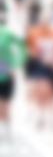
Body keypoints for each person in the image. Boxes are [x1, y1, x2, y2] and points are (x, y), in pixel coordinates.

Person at [0, 9, 26, 147]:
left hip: (6, 73)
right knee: (1, 105)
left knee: (6, 104)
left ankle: (7, 129)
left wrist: (17, 63)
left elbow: (22, 46)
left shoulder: (7, 33)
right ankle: (4, 129)